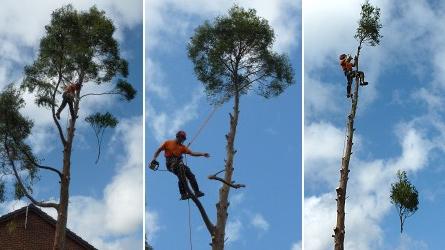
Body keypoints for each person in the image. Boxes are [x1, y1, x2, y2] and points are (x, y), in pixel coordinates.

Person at [151, 130, 210, 200]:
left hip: (179, 164)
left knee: (190, 175)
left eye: (183, 138)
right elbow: (159, 150)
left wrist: (202, 154)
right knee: (181, 174)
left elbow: (192, 153)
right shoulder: (168, 143)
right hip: (170, 164)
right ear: (177, 136)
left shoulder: (182, 147)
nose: (182, 139)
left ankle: (197, 192)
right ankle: (183, 194)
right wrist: (154, 158)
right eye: (181, 137)